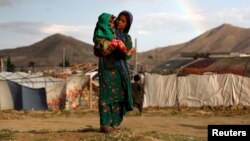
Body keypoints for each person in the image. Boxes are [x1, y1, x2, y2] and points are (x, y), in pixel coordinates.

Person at [93, 10, 136, 133]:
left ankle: (114, 123)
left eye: (123, 21)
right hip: (106, 68)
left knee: (120, 97)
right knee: (106, 95)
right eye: (119, 19)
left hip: (121, 70)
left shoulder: (127, 38)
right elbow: (98, 47)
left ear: (127, 25)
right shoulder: (108, 32)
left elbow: (126, 56)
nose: (119, 22)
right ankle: (105, 125)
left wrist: (128, 53)